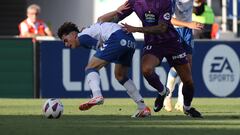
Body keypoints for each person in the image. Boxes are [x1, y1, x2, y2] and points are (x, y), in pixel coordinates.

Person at [99, 0, 202, 118]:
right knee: (146, 69)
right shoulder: (134, 2)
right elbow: (115, 18)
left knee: (188, 81)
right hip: (153, 44)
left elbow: (162, 28)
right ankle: (163, 91)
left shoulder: (165, 2)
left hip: (172, 43)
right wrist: (99, 26)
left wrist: (136, 29)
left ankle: (187, 108)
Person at [57, 20, 151, 117]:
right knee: (120, 76)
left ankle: (97, 95)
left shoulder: (81, 37)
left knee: (90, 68)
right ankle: (142, 107)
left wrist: (103, 62)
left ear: (73, 34)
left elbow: (101, 45)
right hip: (130, 40)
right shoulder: (89, 31)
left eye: (65, 40)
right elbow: (104, 47)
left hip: (117, 37)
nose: (66, 45)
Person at [163, 0, 204, 112]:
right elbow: (169, 19)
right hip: (175, 31)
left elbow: (198, 6)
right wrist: (189, 24)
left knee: (187, 67)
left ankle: (181, 102)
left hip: (187, 32)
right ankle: (168, 95)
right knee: (178, 65)